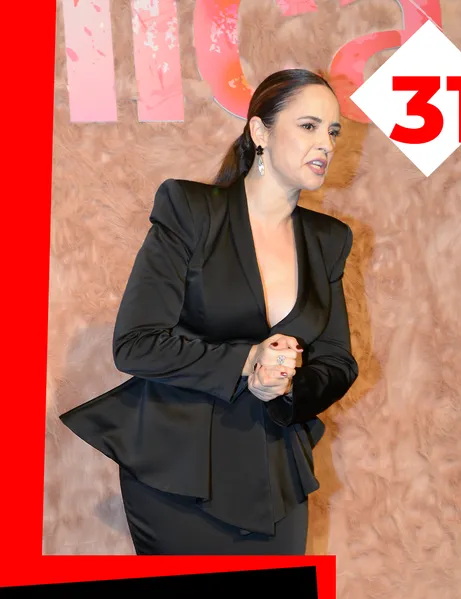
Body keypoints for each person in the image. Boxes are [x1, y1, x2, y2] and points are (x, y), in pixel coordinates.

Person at [59, 68, 359, 555]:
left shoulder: (329, 240)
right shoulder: (191, 209)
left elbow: (338, 362)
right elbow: (136, 344)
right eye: (308, 126)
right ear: (260, 132)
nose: (325, 143)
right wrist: (247, 361)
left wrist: (287, 388)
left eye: (333, 131)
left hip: (274, 474)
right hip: (177, 470)